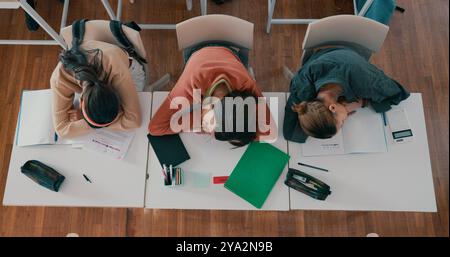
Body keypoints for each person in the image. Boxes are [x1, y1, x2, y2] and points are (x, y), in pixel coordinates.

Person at [148, 44, 276, 147]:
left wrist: (238, 131)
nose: (207, 131)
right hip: (197, 48)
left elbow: (271, 134)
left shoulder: (245, 92)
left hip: (229, 57)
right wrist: (197, 123)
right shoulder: (189, 84)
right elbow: (155, 128)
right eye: (208, 126)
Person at [283, 46, 410, 143]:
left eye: (342, 121)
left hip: (349, 55)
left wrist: (360, 103)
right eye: (342, 122)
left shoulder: (367, 82)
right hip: (323, 60)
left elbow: (398, 94)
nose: (344, 121)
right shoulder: (302, 85)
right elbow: (290, 134)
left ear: (333, 107)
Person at [50, 38, 143, 138]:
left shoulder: (116, 68)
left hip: (127, 70)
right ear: (81, 99)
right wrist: (94, 122)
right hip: (108, 63)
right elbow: (62, 131)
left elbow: (134, 121)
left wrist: (86, 120)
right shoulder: (59, 79)